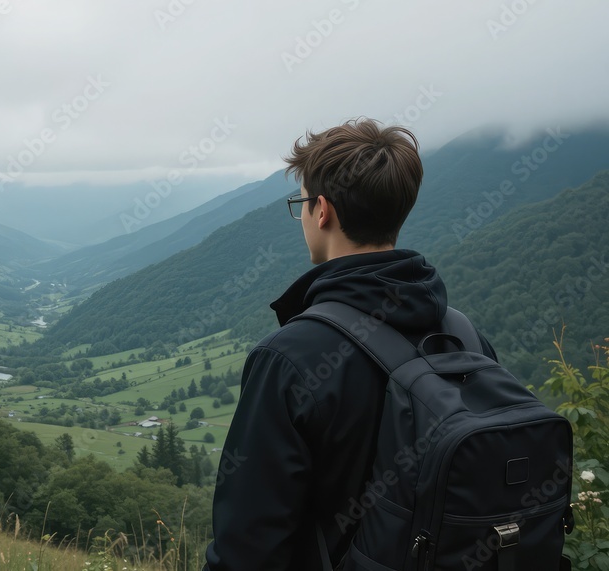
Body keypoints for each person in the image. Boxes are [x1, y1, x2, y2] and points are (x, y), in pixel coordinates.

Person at [203, 118, 497, 569]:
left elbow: (247, 548)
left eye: (301, 203)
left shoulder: (289, 357)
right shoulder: (467, 337)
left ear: (322, 211)